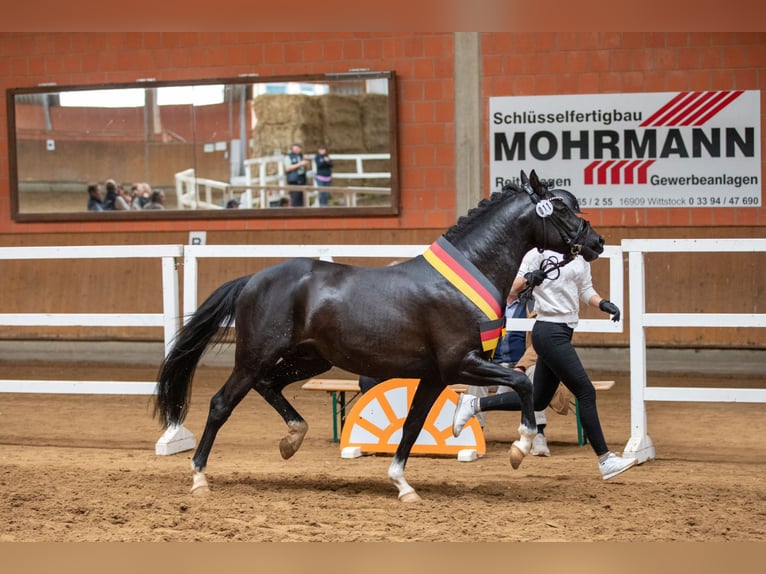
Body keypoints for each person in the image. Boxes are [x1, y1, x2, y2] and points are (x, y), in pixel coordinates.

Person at [452, 194, 635, 481]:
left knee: (537, 400)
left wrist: (603, 304)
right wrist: (530, 279)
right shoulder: (537, 253)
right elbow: (511, 289)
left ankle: (474, 405)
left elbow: (586, 290)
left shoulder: (578, 256)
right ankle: (605, 459)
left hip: (563, 331)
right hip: (548, 330)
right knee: (585, 391)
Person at [463, 295, 553, 456]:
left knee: (535, 372)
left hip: (521, 365)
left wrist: (521, 367)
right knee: (476, 377)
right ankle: (475, 434)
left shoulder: (533, 305)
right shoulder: (489, 304)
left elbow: (539, 344)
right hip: (494, 366)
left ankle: (537, 433)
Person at [284, 143, 310, 207]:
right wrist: (299, 164)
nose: (297, 150)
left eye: (298, 148)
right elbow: (288, 168)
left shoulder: (301, 156)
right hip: (294, 180)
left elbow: (307, 169)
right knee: (295, 199)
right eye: (295, 149)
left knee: (303, 199)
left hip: (302, 179)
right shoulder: (288, 157)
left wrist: (306, 164)